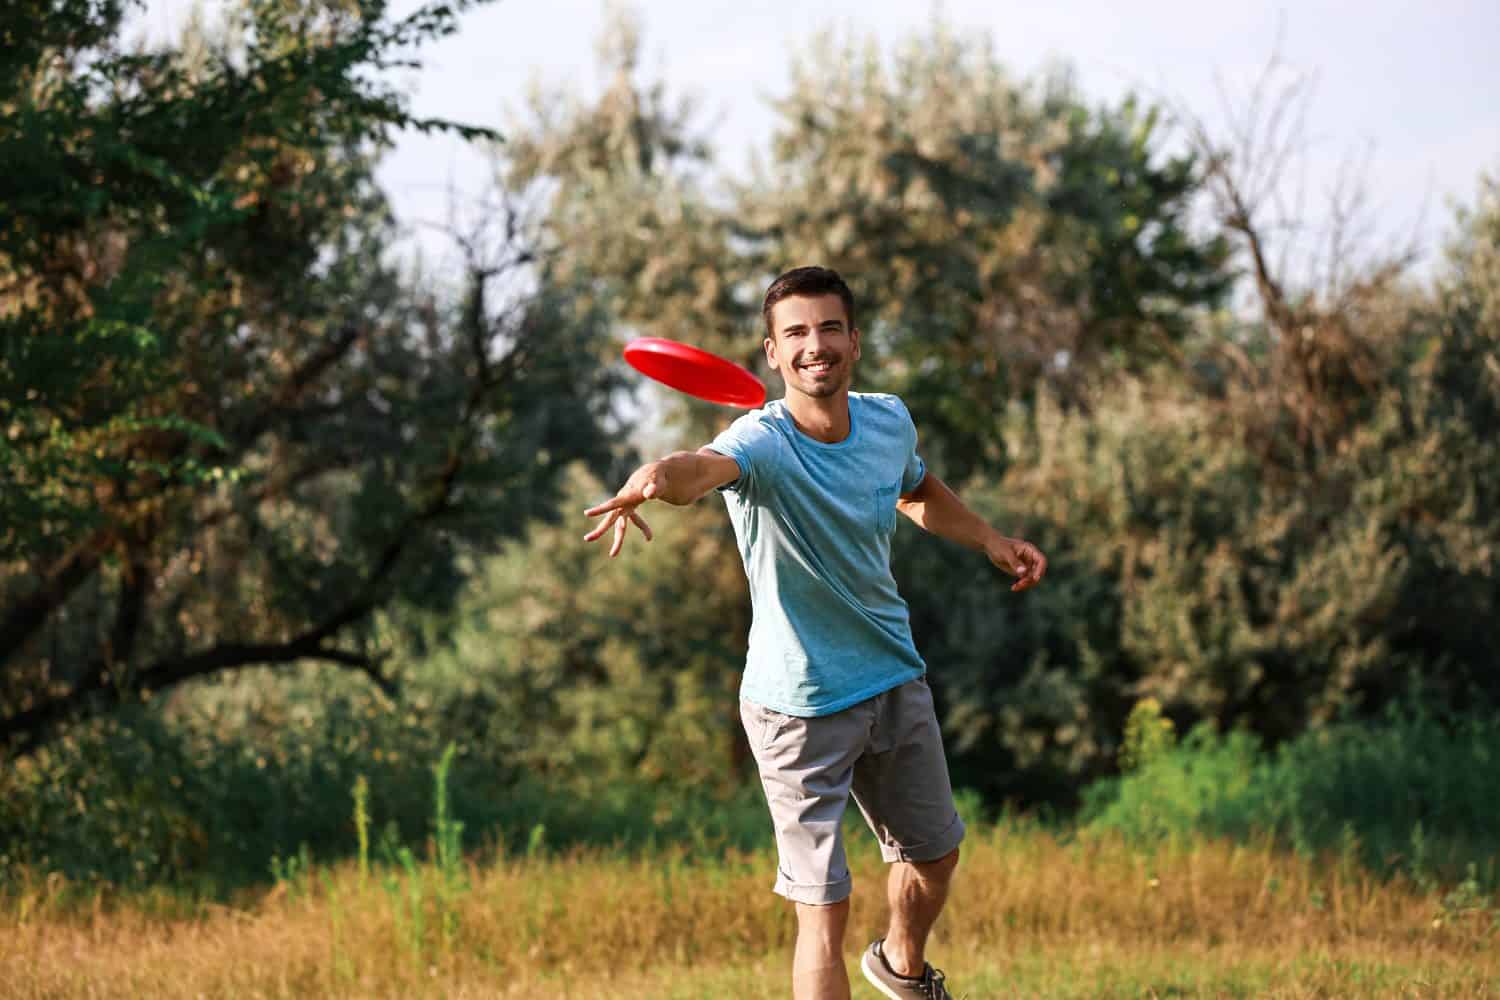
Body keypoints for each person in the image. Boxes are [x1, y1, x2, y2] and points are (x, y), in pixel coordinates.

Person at [583, 266, 1046, 999]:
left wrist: (990, 538)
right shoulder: (760, 443)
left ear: (855, 341)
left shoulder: (889, 419)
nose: (814, 345)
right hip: (797, 705)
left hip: (891, 673)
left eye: (829, 328)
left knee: (935, 857)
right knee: (821, 909)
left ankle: (901, 966)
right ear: (772, 354)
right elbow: (697, 471)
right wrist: (653, 475)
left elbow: (915, 489)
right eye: (795, 332)